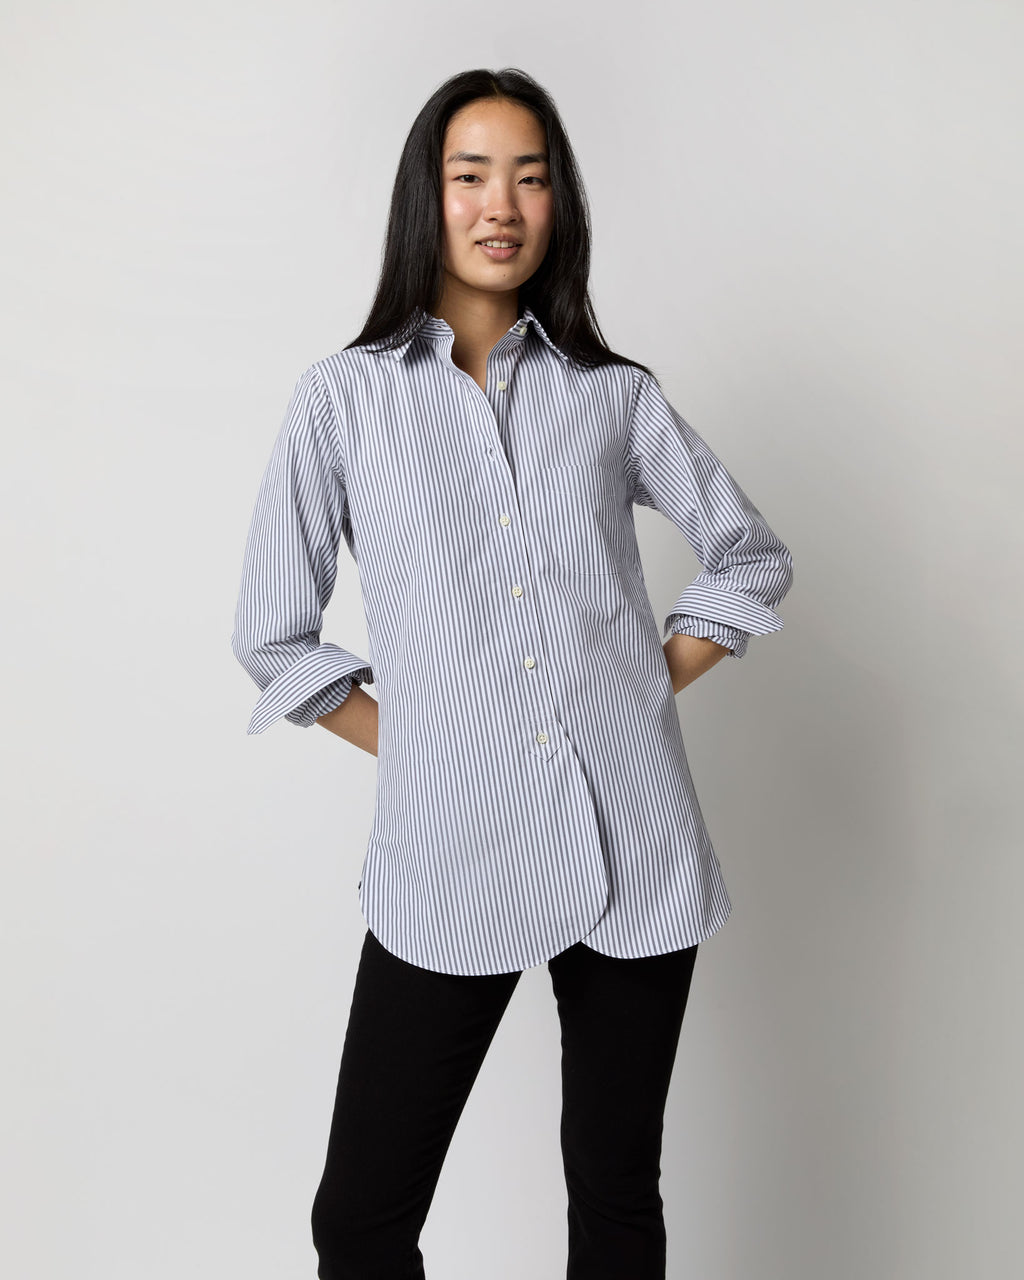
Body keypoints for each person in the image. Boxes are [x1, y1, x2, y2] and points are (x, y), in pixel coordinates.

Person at [231, 66, 793, 1280]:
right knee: (361, 1218)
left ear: (559, 202)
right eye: (471, 174)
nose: (501, 205)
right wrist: (421, 737)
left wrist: (636, 683)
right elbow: (272, 631)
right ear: (424, 198)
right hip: (451, 850)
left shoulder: (613, 395)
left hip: (636, 843)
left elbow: (748, 553)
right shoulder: (342, 401)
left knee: (616, 1193)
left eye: (530, 177)